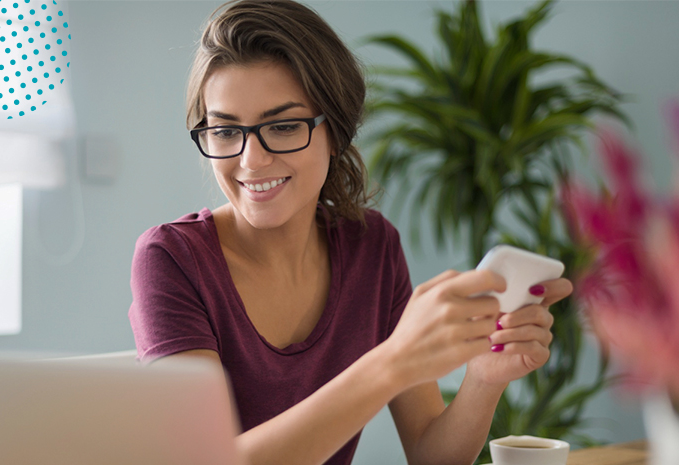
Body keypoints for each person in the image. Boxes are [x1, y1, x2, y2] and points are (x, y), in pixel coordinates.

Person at [128, 1, 573, 464]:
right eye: (224, 131)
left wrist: (485, 377)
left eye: (282, 126)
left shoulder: (373, 249)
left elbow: (431, 455)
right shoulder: (171, 259)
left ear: (335, 130)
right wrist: (393, 362)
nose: (250, 160)